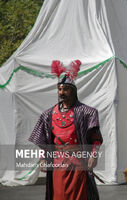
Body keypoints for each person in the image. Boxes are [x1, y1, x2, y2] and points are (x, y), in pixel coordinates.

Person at [29, 60, 103, 200]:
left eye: (66, 89)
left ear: (73, 91)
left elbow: (96, 139)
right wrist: (43, 158)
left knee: (79, 195)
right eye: (60, 89)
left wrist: (94, 154)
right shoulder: (48, 115)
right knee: (59, 195)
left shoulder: (87, 112)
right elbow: (44, 141)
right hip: (57, 165)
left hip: (78, 163)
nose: (62, 92)